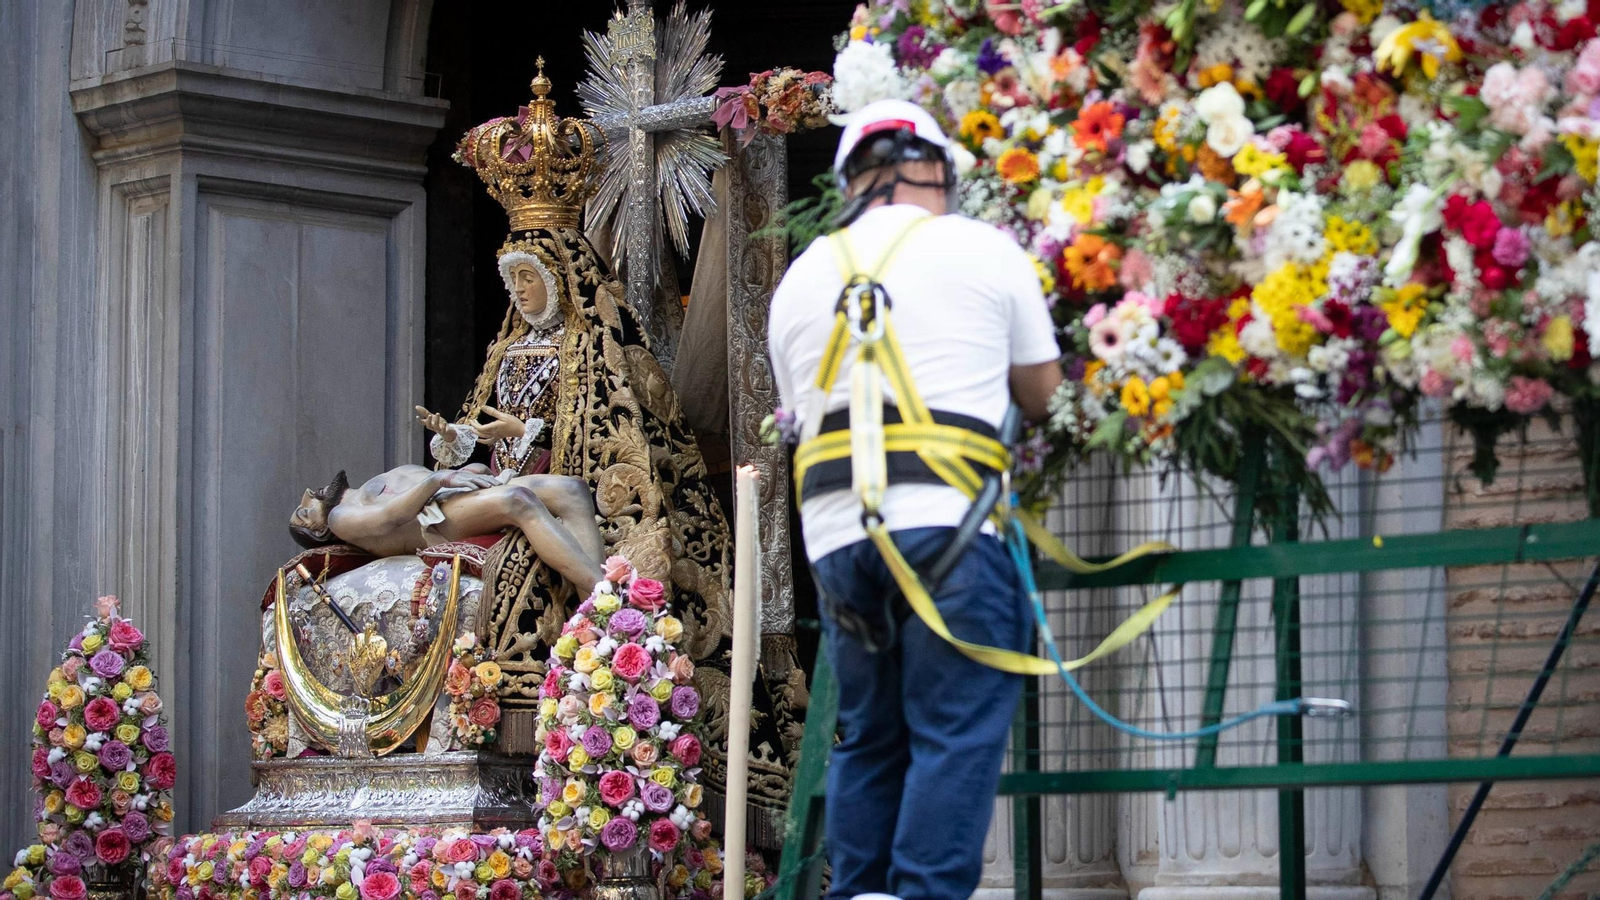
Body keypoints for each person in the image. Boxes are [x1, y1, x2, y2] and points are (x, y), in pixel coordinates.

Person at [766, 99, 1063, 900]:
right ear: (936, 168)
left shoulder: (801, 277)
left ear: (851, 181)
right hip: (953, 533)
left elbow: (802, 414)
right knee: (954, 732)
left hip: (839, 548)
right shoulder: (979, 247)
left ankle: (858, 892)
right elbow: (1041, 395)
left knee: (868, 739)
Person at [288, 465, 605, 589]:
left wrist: (460, 472)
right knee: (517, 499)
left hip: (452, 496)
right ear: (318, 530)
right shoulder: (340, 518)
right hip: (436, 518)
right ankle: (605, 594)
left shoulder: (356, 494)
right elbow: (392, 516)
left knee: (572, 490)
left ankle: (590, 617)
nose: (310, 494)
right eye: (305, 511)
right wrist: (439, 478)